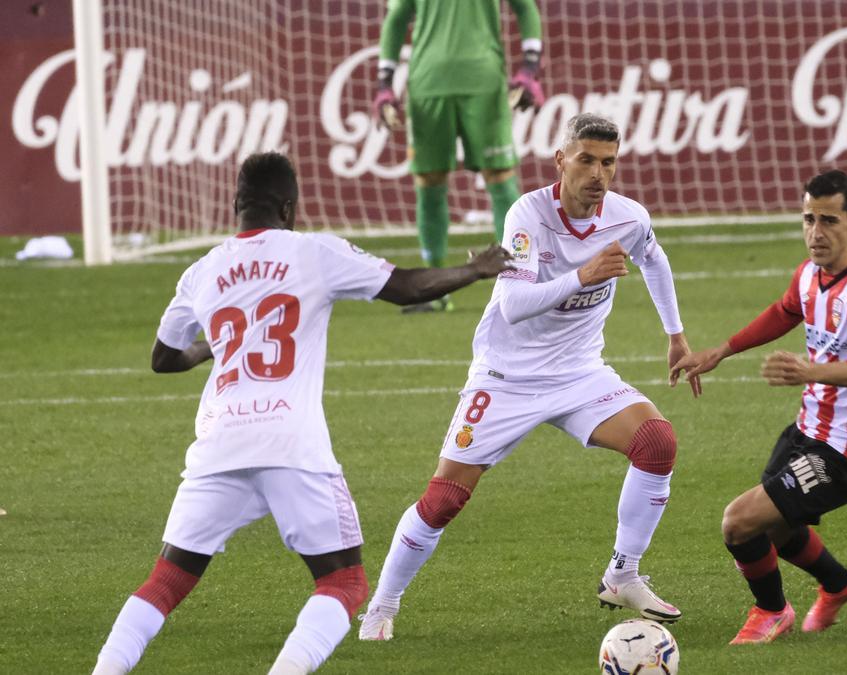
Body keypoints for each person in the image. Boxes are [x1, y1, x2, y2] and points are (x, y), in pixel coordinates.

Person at [90, 152, 512, 675]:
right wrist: (474, 268)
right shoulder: (313, 252)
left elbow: (162, 359)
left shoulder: (199, 272)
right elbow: (406, 286)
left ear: (235, 205)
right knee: (344, 583)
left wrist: (214, 349)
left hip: (218, 443)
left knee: (166, 581)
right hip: (291, 441)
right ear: (289, 208)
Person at [358, 113, 698, 641]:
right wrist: (582, 275)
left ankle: (623, 573)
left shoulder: (628, 219)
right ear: (560, 160)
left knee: (657, 443)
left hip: (579, 372)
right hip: (505, 377)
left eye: (608, 162)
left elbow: (654, 259)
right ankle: (381, 605)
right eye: (586, 159)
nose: (598, 173)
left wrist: (675, 334)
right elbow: (514, 304)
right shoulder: (528, 215)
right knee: (444, 498)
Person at [670, 170, 847, 644]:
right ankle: (839, 584)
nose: (816, 232)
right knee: (771, 528)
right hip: (808, 431)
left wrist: (809, 372)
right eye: (808, 219)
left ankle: (772, 611)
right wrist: (721, 350)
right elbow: (784, 311)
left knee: (740, 522)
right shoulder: (809, 274)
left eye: (829, 221)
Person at [373, 0, 546, 312]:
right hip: (428, 83)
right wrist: (384, 83)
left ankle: (521, 280)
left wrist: (530, 66)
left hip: (484, 82)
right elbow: (396, 18)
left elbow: (526, 8)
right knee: (429, 179)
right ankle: (433, 291)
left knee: (499, 176)